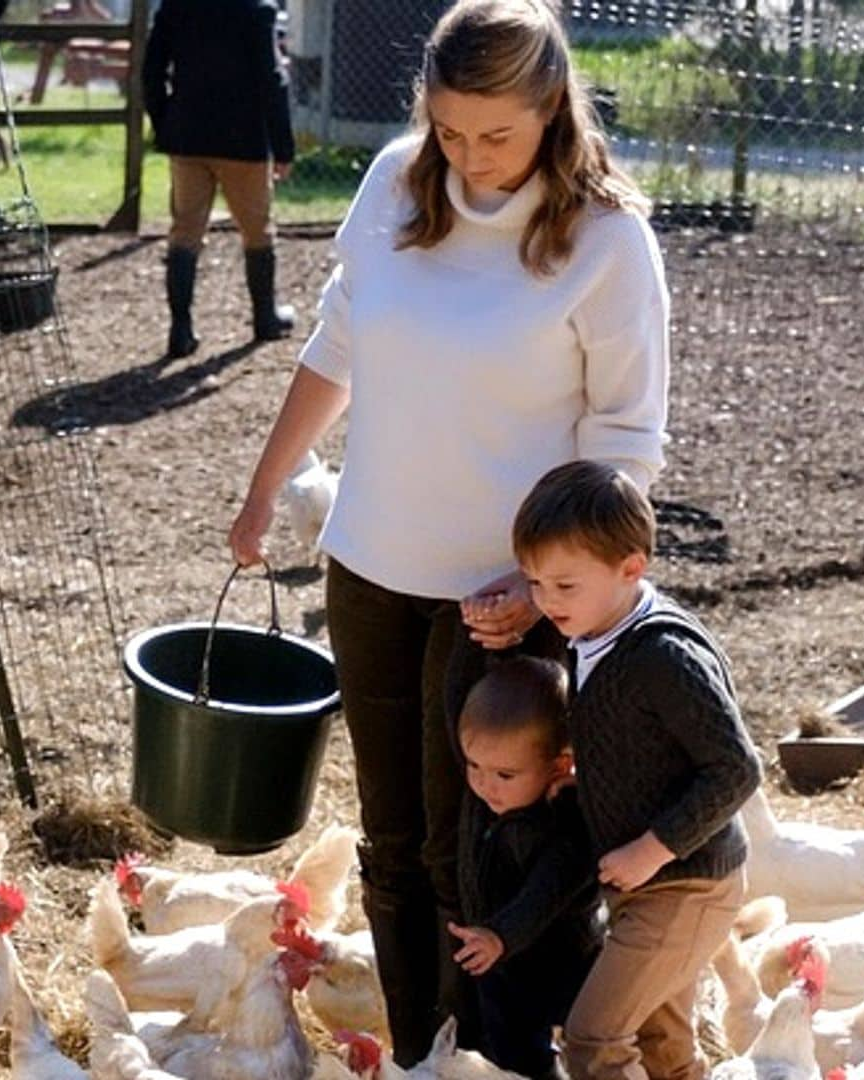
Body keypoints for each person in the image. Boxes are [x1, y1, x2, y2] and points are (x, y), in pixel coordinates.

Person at [226, 0, 670, 1064]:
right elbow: (336, 347)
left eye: (497, 135)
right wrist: (263, 488)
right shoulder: (395, 180)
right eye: (450, 129)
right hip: (373, 564)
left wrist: (545, 588)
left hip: (507, 599)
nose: (469, 157)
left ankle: (501, 1052)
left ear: (554, 108)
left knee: (482, 853)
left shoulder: (609, 241)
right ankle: (426, 1052)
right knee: (389, 844)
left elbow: (626, 443)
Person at [510, 459, 760, 1080]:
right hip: (649, 883)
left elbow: (735, 769)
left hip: (687, 883)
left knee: (594, 1039)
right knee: (661, 1042)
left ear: (631, 568)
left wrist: (652, 848)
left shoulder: (664, 657)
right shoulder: (599, 629)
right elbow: (638, 735)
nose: (546, 601)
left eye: (564, 586)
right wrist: (589, 772)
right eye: (535, 583)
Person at [447, 657, 601, 1080]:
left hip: (557, 963)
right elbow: (454, 702)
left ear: (560, 766)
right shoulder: (493, 795)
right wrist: (478, 641)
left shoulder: (562, 828)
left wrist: (501, 934)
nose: (483, 784)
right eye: (473, 766)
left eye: (504, 774)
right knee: (507, 1052)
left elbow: (546, 891)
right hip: (502, 962)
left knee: (545, 1054)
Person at [141, 0, 298, 358]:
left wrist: (164, 122)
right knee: (257, 229)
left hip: (187, 137)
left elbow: (151, 69)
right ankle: (265, 318)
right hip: (243, 141)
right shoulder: (257, 10)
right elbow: (272, 78)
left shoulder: (175, 8)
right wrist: (283, 146)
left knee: (185, 231)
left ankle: (180, 329)